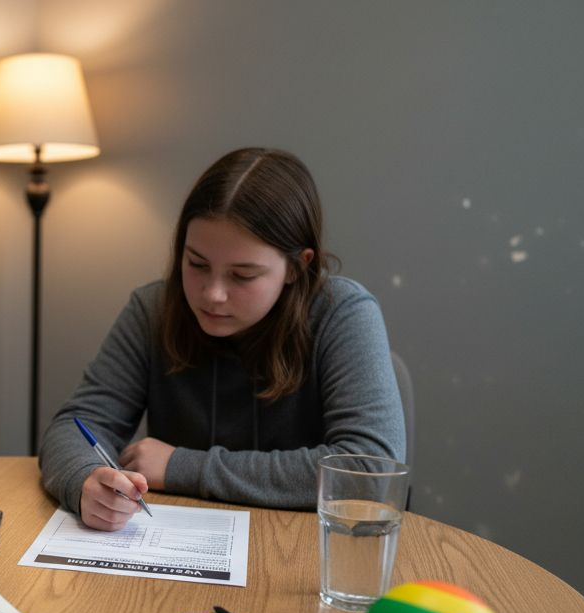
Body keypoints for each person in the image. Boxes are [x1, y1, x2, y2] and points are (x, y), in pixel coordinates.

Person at [38, 147, 404, 531]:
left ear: (298, 267)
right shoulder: (154, 309)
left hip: (304, 556)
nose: (212, 293)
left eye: (242, 275)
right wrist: (85, 479)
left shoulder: (342, 312)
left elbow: (370, 469)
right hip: (176, 556)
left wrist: (183, 466)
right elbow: (77, 426)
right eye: (196, 263)